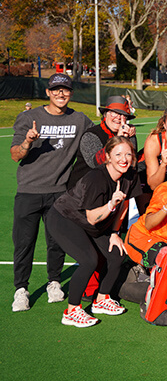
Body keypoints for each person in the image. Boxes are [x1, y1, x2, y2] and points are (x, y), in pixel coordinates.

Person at [11, 73, 93, 312]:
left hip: (59, 192)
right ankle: (21, 289)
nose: (60, 93)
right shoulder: (29, 117)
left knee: (56, 242)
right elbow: (15, 155)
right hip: (29, 191)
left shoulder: (80, 120)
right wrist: (28, 141)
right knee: (24, 243)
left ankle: (54, 282)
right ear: (47, 92)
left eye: (65, 90)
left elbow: (97, 140)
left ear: (71, 93)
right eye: (56, 89)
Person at [46, 137, 140, 327]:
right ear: (108, 157)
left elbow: (124, 206)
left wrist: (114, 233)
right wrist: (111, 204)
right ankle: (72, 311)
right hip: (65, 218)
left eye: (128, 154)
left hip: (97, 222)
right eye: (118, 154)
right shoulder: (96, 178)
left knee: (116, 255)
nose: (124, 159)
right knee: (89, 260)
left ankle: (101, 299)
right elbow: (92, 217)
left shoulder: (130, 175)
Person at [68, 95, 137, 189]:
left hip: (111, 188)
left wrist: (129, 137)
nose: (118, 117)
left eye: (123, 115)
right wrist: (119, 139)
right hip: (83, 189)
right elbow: (95, 163)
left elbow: (132, 162)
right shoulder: (91, 135)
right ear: (105, 114)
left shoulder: (129, 135)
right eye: (114, 113)